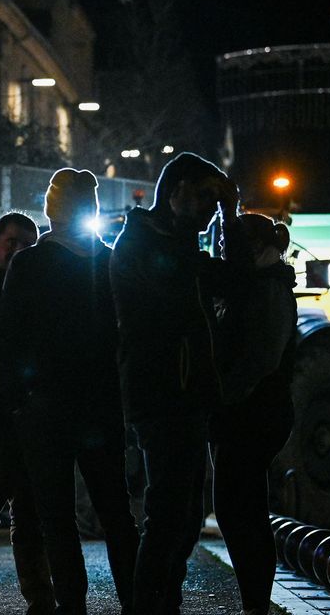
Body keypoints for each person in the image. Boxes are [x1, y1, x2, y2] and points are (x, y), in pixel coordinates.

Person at [111, 152, 248, 615]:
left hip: (188, 396)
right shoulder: (141, 245)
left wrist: (231, 214)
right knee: (167, 514)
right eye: (206, 197)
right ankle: (146, 605)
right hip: (161, 395)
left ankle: (163, 600)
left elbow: (234, 279)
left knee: (185, 517)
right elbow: (169, 300)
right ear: (177, 193)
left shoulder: (179, 244)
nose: (211, 208)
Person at [0, 169, 139, 615]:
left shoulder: (30, 264)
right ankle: (136, 601)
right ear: (92, 210)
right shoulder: (112, 261)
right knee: (116, 513)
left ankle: (72, 603)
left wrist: (20, 401)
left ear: (52, 210)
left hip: (45, 410)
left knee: (56, 517)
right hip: (101, 408)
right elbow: (128, 337)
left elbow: (9, 339)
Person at [0, 212, 54, 614]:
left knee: (29, 518)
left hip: (26, 421)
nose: (19, 252)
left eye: (27, 245)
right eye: (12, 242)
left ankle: (39, 599)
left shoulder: (31, 287)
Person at [209, 213, 298, 615]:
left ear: (257, 247)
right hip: (247, 412)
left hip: (252, 412)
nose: (224, 252)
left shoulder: (268, 288)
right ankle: (254, 599)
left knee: (237, 507)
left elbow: (261, 358)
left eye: (231, 245)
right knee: (240, 506)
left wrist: (222, 395)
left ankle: (255, 601)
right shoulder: (260, 284)